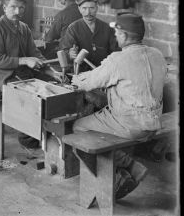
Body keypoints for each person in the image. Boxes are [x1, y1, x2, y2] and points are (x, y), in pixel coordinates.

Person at [71, 13, 167, 200]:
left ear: (123, 35)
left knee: (78, 127)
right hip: (154, 121)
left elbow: (87, 83)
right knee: (104, 110)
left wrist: (75, 79)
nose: (115, 36)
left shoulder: (117, 60)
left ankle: (123, 173)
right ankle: (126, 165)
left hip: (131, 125)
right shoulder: (157, 54)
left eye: (116, 33)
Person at [0, 0, 59, 148]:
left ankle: (44, 132)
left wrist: (52, 71)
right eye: (13, 7)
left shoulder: (24, 28)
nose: (17, 11)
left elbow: (35, 53)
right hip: (1, 76)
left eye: (21, 8)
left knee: (54, 86)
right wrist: (24, 60)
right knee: (33, 95)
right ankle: (27, 138)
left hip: (22, 73)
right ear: (5, 8)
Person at [59, 0, 119, 71]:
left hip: (103, 71)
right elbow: (65, 51)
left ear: (97, 8)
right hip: (81, 72)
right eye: (84, 8)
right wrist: (70, 54)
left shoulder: (107, 28)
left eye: (91, 8)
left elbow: (115, 52)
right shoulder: (73, 28)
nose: (88, 13)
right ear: (79, 9)